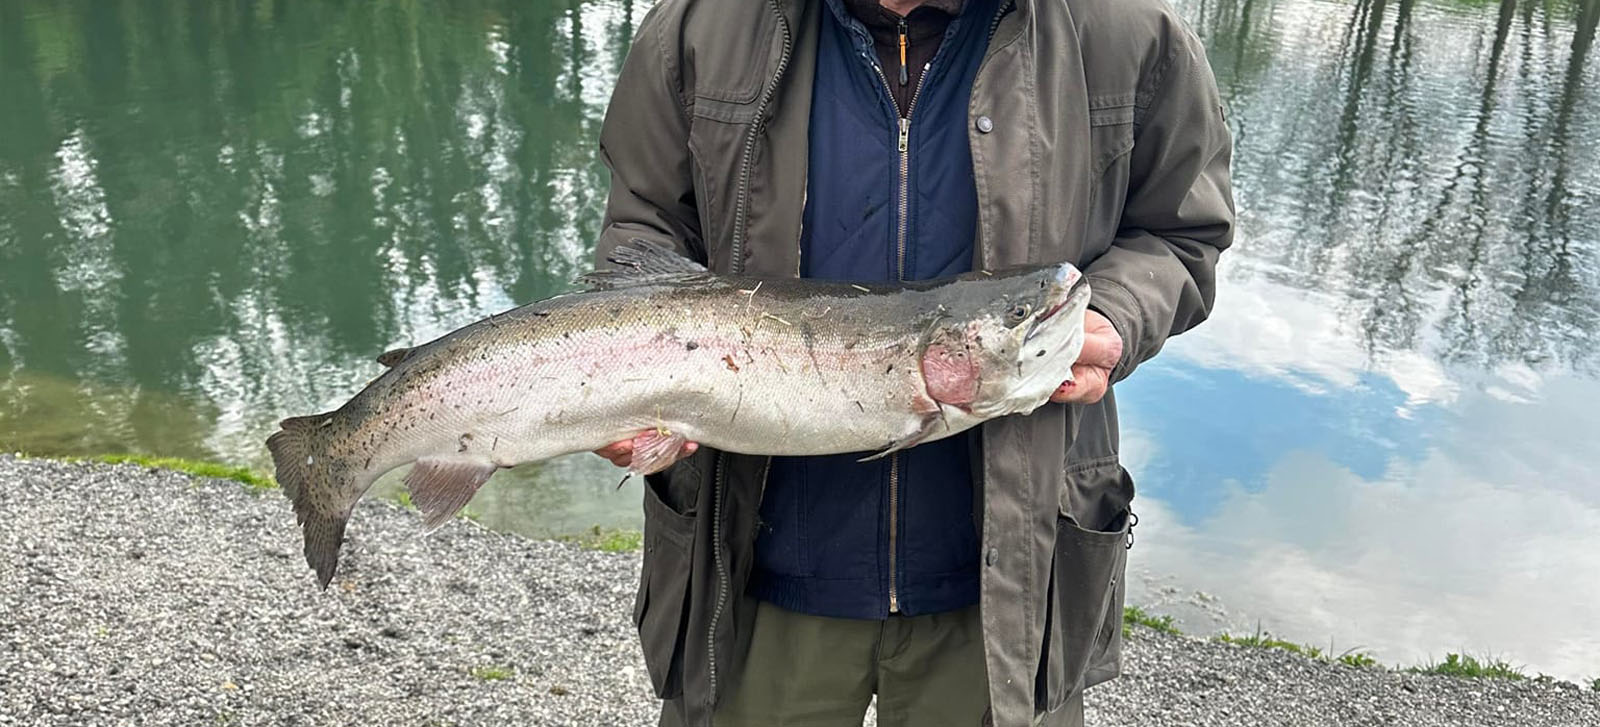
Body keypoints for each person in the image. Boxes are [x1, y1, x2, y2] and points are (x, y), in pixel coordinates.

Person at [590, 0, 1233, 724]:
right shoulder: (697, 29)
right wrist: (622, 388)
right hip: (748, 579)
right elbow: (643, 235)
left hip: (1008, 592)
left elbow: (1183, 231)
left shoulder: (1129, 36)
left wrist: (1117, 312)